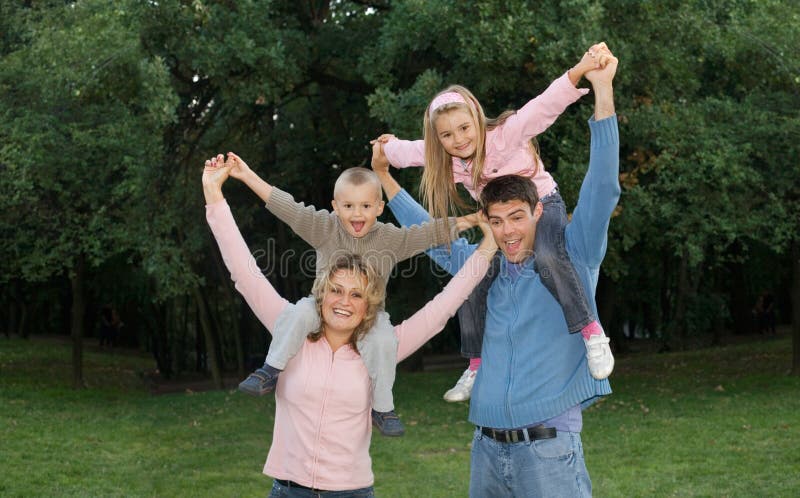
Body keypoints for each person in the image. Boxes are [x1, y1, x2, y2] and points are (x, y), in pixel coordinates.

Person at [379, 44, 620, 496]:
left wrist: (601, 91)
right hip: (486, 452)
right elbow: (430, 234)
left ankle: (594, 335)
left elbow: (603, 185)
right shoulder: (480, 266)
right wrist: (386, 177)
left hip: (548, 452)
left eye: (517, 218)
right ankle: (473, 367)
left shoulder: (573, 252)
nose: (507, 231)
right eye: (496, 220)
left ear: (537, 213)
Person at [201, 158, 497, 496]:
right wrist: (216, 193)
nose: (344, 301)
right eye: (337, 290)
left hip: (351, 491)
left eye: (357, 293)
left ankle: (383, 409)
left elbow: (443, 302)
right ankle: (269, 370)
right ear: (324, 289)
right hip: (288, 490)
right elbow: (245, 267)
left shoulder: (381, 344)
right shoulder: (292, 329)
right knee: (299, 314)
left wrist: (484, 244)